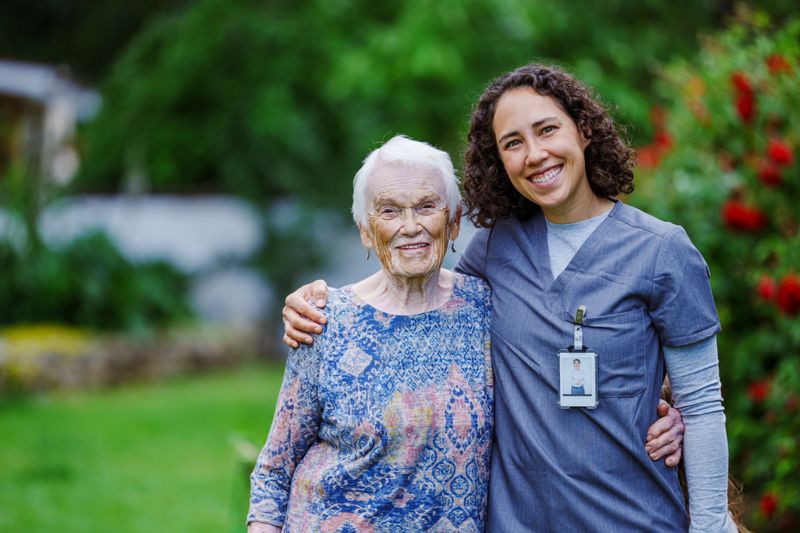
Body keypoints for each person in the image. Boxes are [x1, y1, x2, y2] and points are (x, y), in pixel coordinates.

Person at [282, 64, 731, 532]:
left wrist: (709, 521)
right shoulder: (494, 251)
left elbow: (701, 407)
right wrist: (324, 302)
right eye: (513, 143)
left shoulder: (662, 251)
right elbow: (414, 300)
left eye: (547, 130)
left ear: (585, 131)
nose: (534, 154)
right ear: (499, 161)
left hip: (633, 519)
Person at [247, 135, 494, 532]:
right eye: (389, 211)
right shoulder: (324, 320)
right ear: (365, 230)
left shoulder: (484, 307)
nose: (410, 227)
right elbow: (275, 470)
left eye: (427, 207)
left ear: (453, 221)